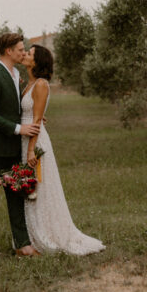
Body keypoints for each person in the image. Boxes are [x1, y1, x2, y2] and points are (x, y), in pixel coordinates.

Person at [20, 45, 104, 255]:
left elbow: (37, 119)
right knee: (30, 188)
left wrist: (31, 150)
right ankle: (30, 235)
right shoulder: (28, 84)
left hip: (35, 141)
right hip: (24, 139)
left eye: (29, 53)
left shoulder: (41, 84)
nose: (25, 55)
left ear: (37, 61)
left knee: (40, 187)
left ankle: (46, 234)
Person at [0, 33, 41, 258]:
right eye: (20, 49)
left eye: (24, 49)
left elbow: (13, 107)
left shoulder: (16, 75)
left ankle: (23, 245)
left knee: (16, 194)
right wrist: (18, 129)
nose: (24, 52)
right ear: (9, 51)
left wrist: (28, 118)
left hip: (12, 148)